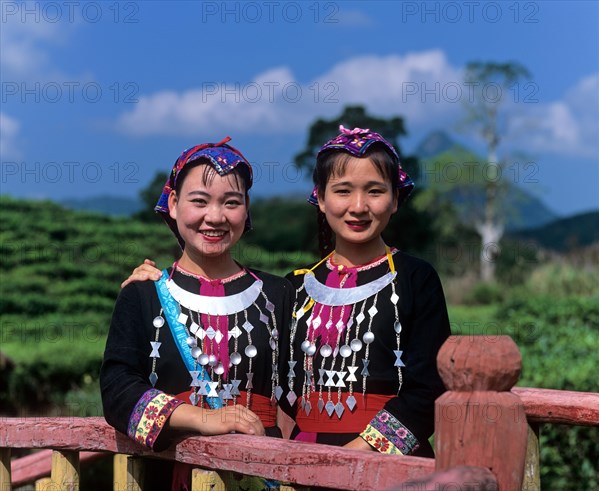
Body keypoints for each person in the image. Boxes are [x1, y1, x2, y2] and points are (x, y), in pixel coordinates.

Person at [123, 126, 451, 459]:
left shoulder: (415, 279)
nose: (358, 206)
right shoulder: (292, 288)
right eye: (342, 191)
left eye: (376, 191)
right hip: (299, 460)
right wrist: (160, 288)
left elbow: (429, 388)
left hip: (385, 464)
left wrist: (357, 455)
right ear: (320, 198)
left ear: (396, 199)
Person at [100, 138, 292, 489]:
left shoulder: (280, 295)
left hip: (259, 476)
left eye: (231, 203)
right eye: (199, 201)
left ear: (246, 209)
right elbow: (117, 393)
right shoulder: (143, 295)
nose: (215, 217)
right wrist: (204, 418)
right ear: (173, 204)